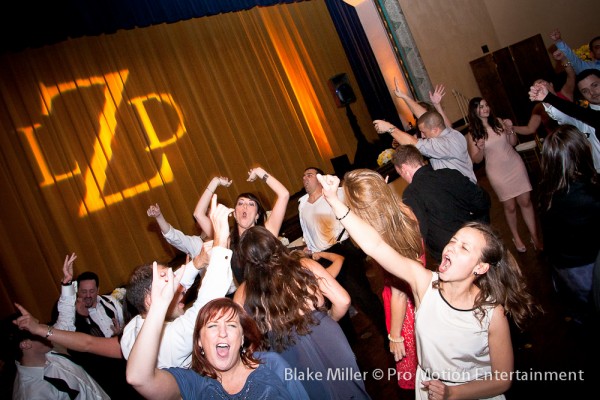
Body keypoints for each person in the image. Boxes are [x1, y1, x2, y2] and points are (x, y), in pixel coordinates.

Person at [316, 172, 540, 400]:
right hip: (427, 391)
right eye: (453, 240)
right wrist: (334, 200)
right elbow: (374, 245)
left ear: (481, 268)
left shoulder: (493, 313)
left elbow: (502, 380)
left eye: (464, 248)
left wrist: (452, 392)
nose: (451, 247)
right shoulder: (423, 283)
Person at [15, 194, 234, 370]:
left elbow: (88, 344)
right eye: (168, 282)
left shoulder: (132, 331)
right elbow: (210, 295)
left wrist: (196, 263)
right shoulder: (172, 336)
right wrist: (221, 239)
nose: (179, 287)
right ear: (149, 299)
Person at [126, 266, 309, 400]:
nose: (222, 332)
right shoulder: (193, 382)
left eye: (231, 325)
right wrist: (159, 305)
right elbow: (138, 378)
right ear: (198, 341)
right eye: (212, 326)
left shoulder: (271, 364)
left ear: (242, 337)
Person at [233, 226, 370, 399]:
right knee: (351, 390)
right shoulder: (303, 265)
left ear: (244, 258)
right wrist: (328, 319)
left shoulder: (243, 293)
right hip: (324, 332)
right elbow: (343, 301)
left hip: (287, 349)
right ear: (272, 243)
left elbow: (242, 339)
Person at [341, 169, 424, 395]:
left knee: (417, 377)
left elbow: (399, 291)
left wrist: (395, 335)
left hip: (405, 307)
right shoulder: (404, 211)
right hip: (419, 293)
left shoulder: (385, 237)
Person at [299, 166, 388, 343]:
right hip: (322, 258)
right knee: (333, 302)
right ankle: (350, 347)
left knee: (362, 295)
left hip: (342, 249)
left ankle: (388, 335)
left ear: (320, 178)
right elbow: (307, 232)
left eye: (308, 175)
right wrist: (309, 249)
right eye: (303, 175)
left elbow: (359, 205)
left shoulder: (337, 193)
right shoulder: (302, 205)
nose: (304, 178)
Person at [538, 125, 600, 324]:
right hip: (590, 268)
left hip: (564, 269)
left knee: (581, 315)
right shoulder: (594, 193)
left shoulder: (546, 193)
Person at [466, 97, 543, 253]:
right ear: (475, 111)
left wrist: (510, 130)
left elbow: (513, 142)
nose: (486, 108)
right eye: (481, 106)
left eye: (486, 105)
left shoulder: (499, 122)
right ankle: (516, 237)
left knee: (526, 201)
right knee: (510, 206)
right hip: (497, 172)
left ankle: (535, 236)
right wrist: (480, 148)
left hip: (515, 165)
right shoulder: (472, 133)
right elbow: (476, 159)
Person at [393, 144, 491, 264]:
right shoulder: (450, 174)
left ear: (404, 169)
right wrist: (479, 230)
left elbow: (419, 233)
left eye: (400, 173)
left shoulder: (411, 193)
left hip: (450, 256)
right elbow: (482, 201)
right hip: (476, 243)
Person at [193, 167, 290, 287]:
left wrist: (260, 172)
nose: (245, 206)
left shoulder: (268, 232)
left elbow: (284, 194)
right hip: (251, 301)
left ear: (257, 215)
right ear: (234, 213)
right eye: (240, 203)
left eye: (250, 204)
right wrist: (215, 182)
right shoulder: (226, 241)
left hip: (279, 290)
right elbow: (198, 214)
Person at [5, 310, 110, 400]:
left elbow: (65, 320)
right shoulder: (33, 393)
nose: (45, 328)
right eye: (36, 328)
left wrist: (68, 287)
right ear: (25, 344)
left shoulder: (49, 353)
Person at [374, 110, 477, 183]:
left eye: (424, 132)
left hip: (465, 197)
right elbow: (427, 117)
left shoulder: (444, 143)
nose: (422, 136)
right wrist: (404, 96)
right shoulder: (452, 133)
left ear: (435, 130)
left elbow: (417, 144)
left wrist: (389, 128)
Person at [529, 69, 600, 171]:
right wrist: (546, 99)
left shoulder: (586, 115)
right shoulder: (582, 118)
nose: (592, 92)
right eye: (585, 91)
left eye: (595, 85)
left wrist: (549, 97)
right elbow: (563, 115)